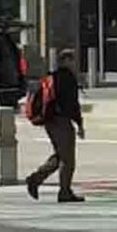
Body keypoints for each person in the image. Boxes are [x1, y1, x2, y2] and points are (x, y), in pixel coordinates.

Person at [24, 55, 86, 202]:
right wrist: (79, 124)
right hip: (61, 121)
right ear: (66, 62)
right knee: (68, 159)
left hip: (50, 121)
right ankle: (64, 191)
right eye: (72, 60)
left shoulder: (51, 77)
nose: (74, 63)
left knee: (61, 155)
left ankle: (36, 179)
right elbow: (72, 104)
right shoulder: (67, 78)